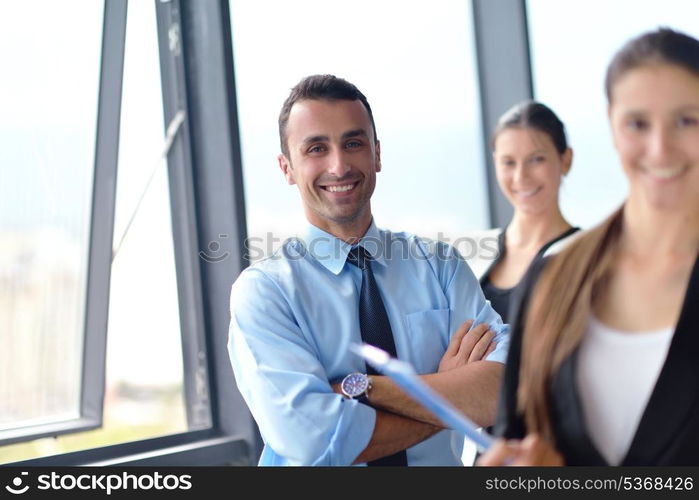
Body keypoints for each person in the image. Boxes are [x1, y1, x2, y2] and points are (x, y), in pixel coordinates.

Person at [228, 74, 510, 466]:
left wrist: (362, 389)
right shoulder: (265, 292)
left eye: (353, 143)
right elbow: (316, 441)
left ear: (376, 154)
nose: (339, 165)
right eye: (315, 149)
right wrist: (447, 397)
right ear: (287, 167)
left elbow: (504, 388)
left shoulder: (441, 266)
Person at [478, 27, 699, 466]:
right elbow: (513, 440)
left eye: (686, 121)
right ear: (613, 127)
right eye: (638, 123)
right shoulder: (551, 280)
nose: (660, 149)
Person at [469, 101, 580, 321]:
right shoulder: (476, 253)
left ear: (565, 160)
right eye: (508, 162)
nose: (521, 177)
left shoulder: (584, 257)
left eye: (536, 159)